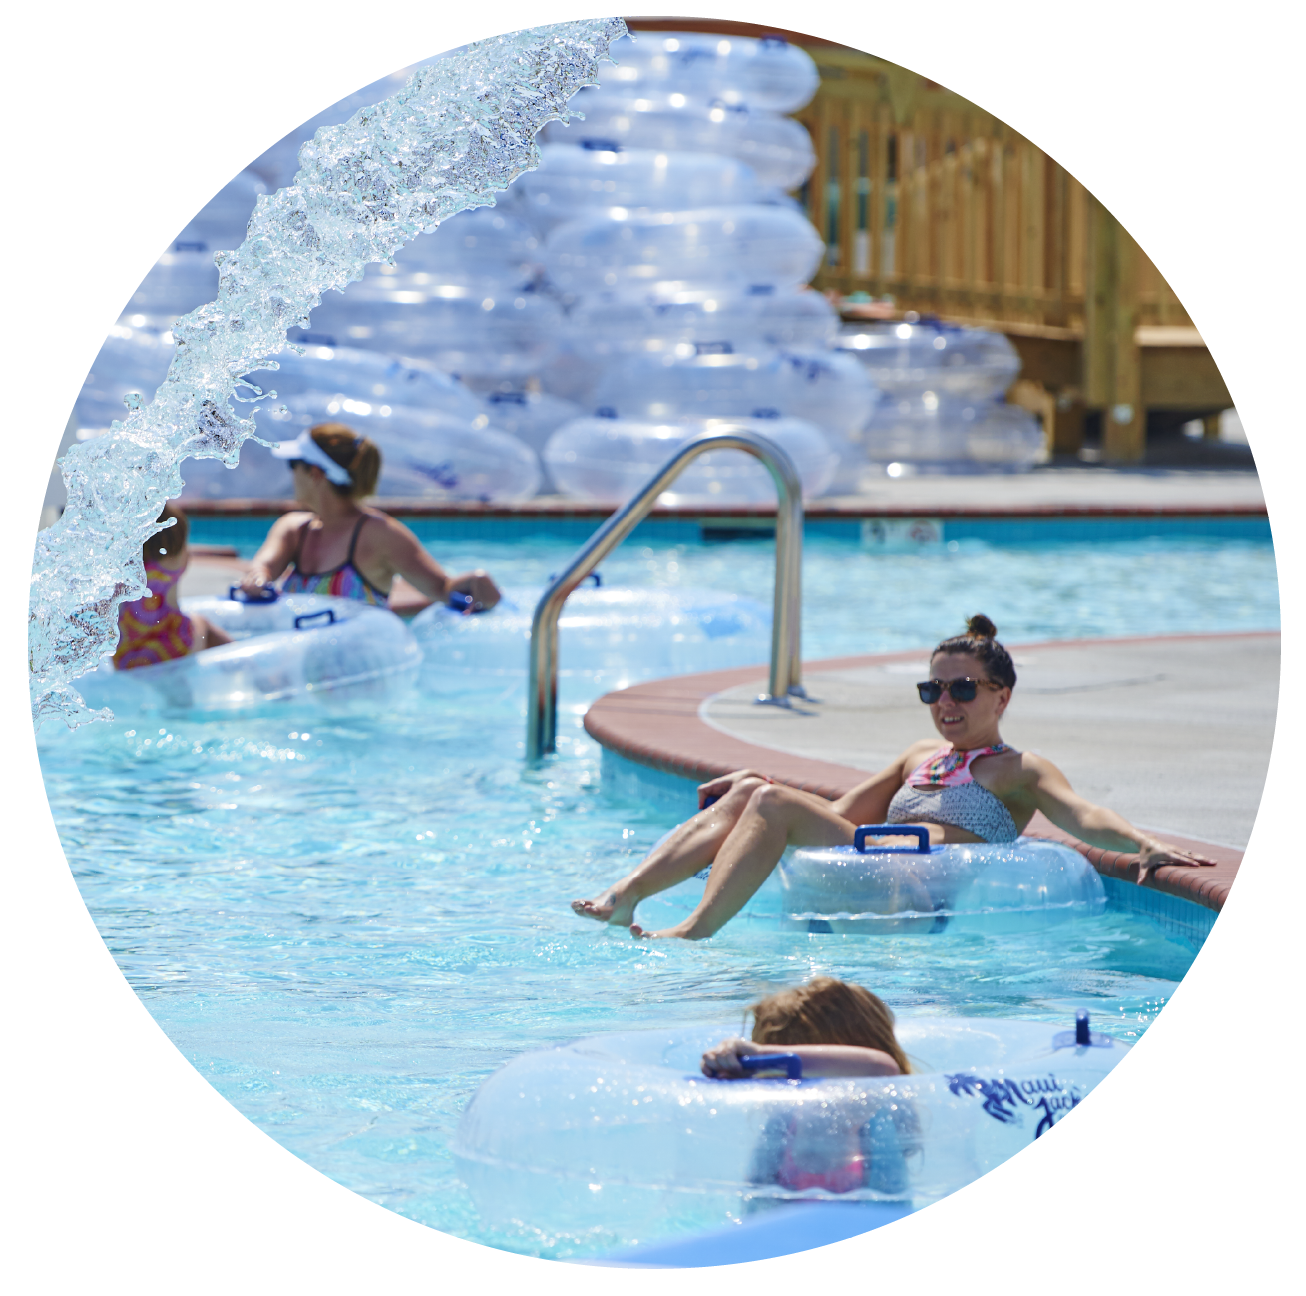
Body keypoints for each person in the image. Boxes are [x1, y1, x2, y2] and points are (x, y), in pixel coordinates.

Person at [572, 613, 1218, 940]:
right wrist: (759, 790)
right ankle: (625, 896)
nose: (946, 702)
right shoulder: (918, 756)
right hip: (872, 861)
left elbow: (1082, 815)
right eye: (933, 689)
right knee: (750, 790)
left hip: (919, 891)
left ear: (1002, 697)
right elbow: (847, 814)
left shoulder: (1015, 769)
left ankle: (694, 931)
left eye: (963, 688)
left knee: (765, 798)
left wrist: (1140, 845)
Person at [239, 423, 502, 613]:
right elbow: (264, 566)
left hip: (358, 685)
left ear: (315, 473)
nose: (291, 474)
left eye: (293, 465)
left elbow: (442, 588)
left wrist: (476, 582)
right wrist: (257, 578)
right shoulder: (293, 529)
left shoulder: (380, 535)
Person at [702, 978, 917, 1201]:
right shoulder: (782, 1126)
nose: (787, 1081)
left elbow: (881, 1069)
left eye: (799, 1070)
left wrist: (762, 1054)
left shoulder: (857, 1119)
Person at [114, 503, 232, 670]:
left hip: (125, 654)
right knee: (202, 623)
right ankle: (250, 668)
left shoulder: (122, 566)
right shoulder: (174, 560)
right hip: (173, 645)